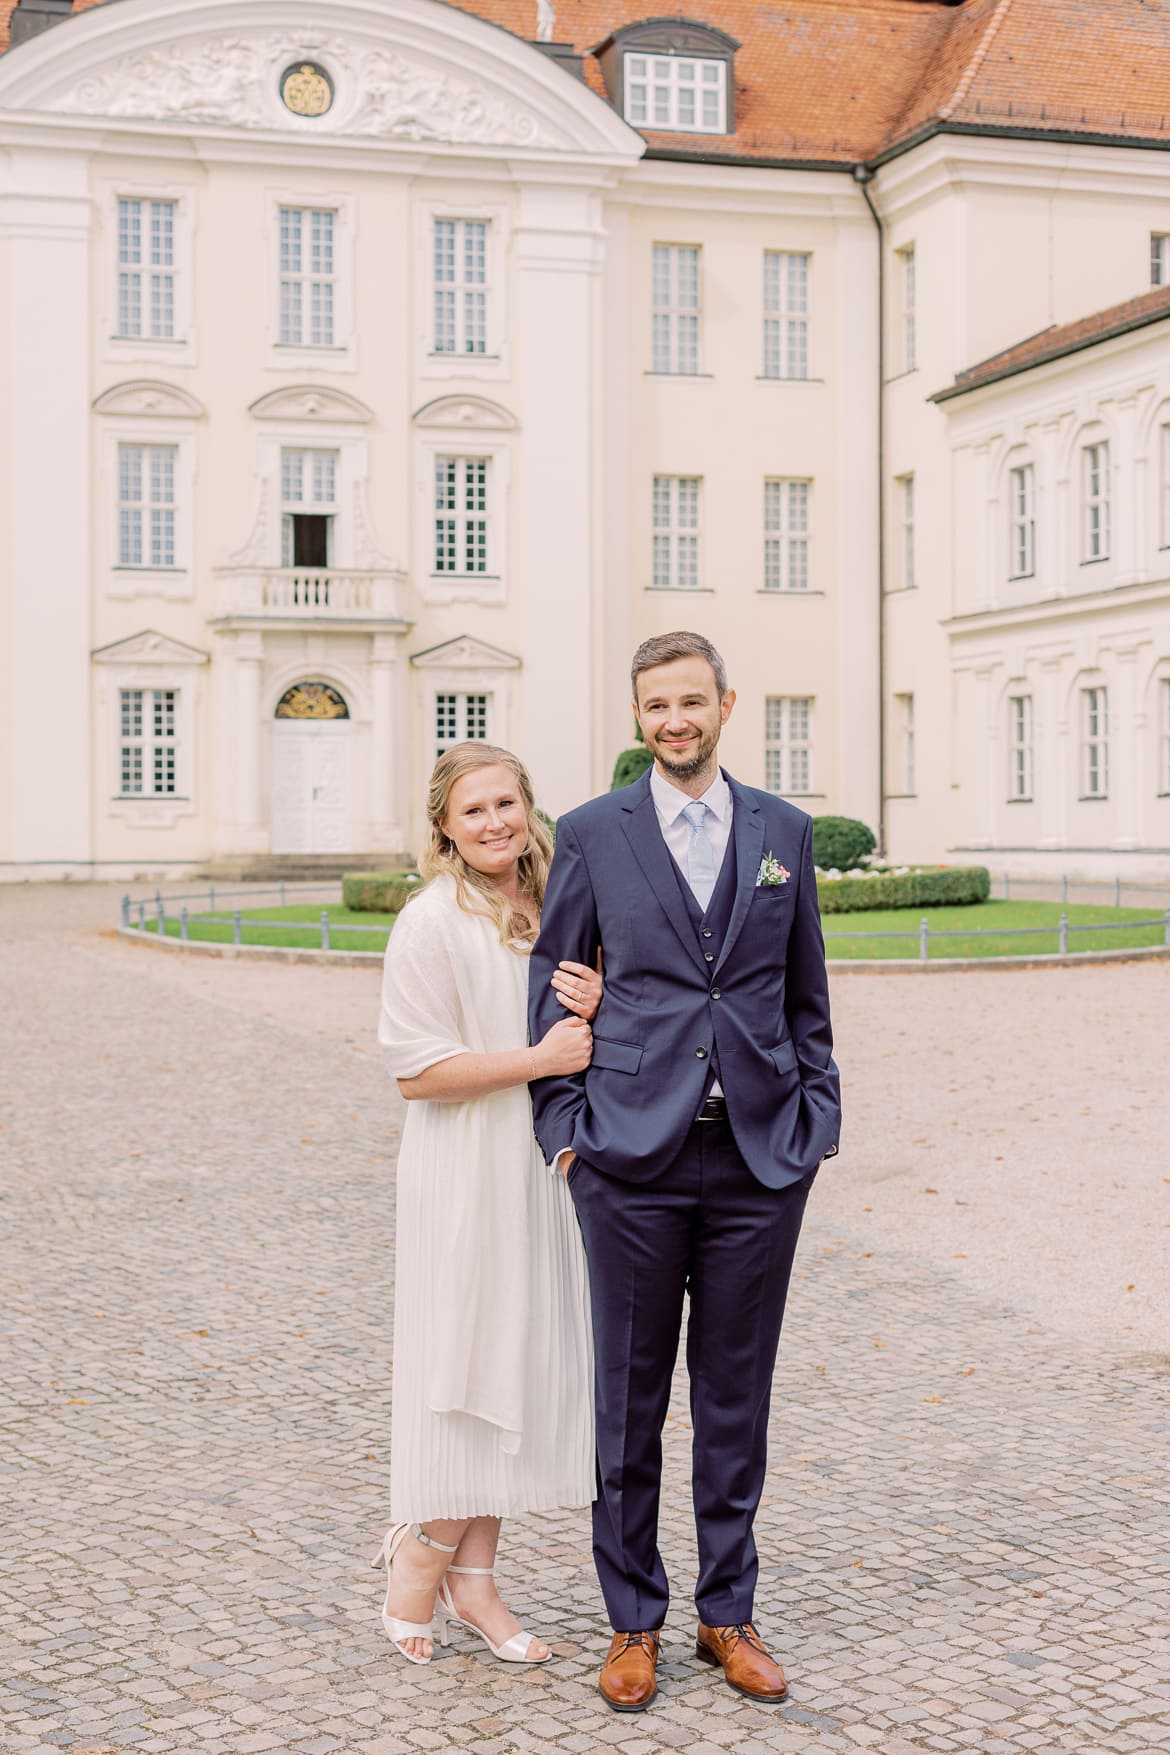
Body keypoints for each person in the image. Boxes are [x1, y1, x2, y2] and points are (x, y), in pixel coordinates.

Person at [528, 630, 841, 1711]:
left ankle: (727, 1613)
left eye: (692, 702)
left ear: (725, 705)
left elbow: (808, 996)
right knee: (627, 1397)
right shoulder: (591, 834)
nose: (675, 720)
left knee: (735, 1397)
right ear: (637, 717)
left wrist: (815, 1128)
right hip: (627, 1160)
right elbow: (554, 979)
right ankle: (631, 1622)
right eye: (656, 705)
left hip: (759, 1158)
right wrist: (565, 1128)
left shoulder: (784, 834)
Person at [375, 742, 602, 1666]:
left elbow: (590, 1032)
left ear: (529, 806)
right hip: (464, 1168)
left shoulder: (552, 906)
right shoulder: (429, 920)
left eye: (508, 803)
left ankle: (476, 1581)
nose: (496, 823)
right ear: (443, 825)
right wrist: (540, 1060)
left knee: (514, 1359)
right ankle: (419, 1556)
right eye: (474, 811)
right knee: (466, 1362)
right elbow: (417, 1072)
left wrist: (599, 996)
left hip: (540, 1169)